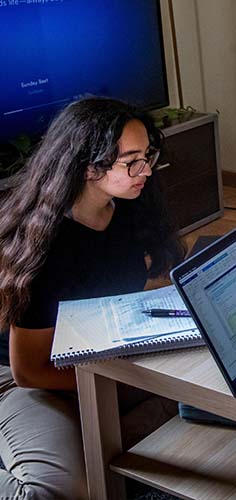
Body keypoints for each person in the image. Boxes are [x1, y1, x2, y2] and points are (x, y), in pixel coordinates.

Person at [0, 97, 186, 498]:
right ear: (88, 166)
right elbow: (28, 370)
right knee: (57, 492)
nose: (147, 170)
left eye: (148, 155)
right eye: (132, 161)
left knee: (203, 399)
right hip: (29, 380)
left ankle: (103, 443)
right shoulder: (45, 245)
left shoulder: (129, 207)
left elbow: (147, 285)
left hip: (94, 354)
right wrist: (113, 380)